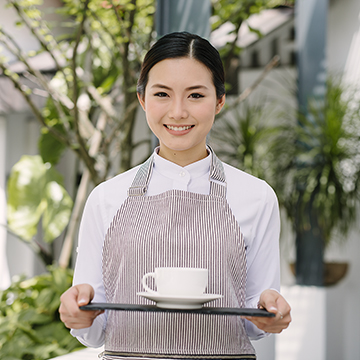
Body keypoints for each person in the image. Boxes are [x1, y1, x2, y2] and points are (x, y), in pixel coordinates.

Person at [59, 31, 291, 360]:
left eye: (196, 95)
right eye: (162, 94)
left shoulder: (256, 197)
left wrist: (269, 313)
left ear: (220, 100)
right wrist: (78, 314)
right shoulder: (106, 198)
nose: (178, 112)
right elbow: (93, 330)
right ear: (142, 100)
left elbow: (256, 322)